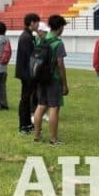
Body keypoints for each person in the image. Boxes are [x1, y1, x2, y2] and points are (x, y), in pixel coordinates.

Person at [31, 15, 68, 145]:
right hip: (54, 78)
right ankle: (53, 138)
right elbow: (60, 64)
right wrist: (65, 84)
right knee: (54, 107)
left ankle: (36, 136)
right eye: (63, 26)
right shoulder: (58, 43)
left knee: (41, 106)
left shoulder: (41, 39)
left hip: (41, 78)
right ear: (60, 27)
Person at [14, 13, 39, 134]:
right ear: (32, 23)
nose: (38, 25)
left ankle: (28, 123)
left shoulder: (29, 36)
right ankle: (23, 125)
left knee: (28, 98)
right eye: (37, 22)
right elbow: (31, 57)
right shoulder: (26, 37)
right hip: (26, 73)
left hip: (27, 72)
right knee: (25, 99)